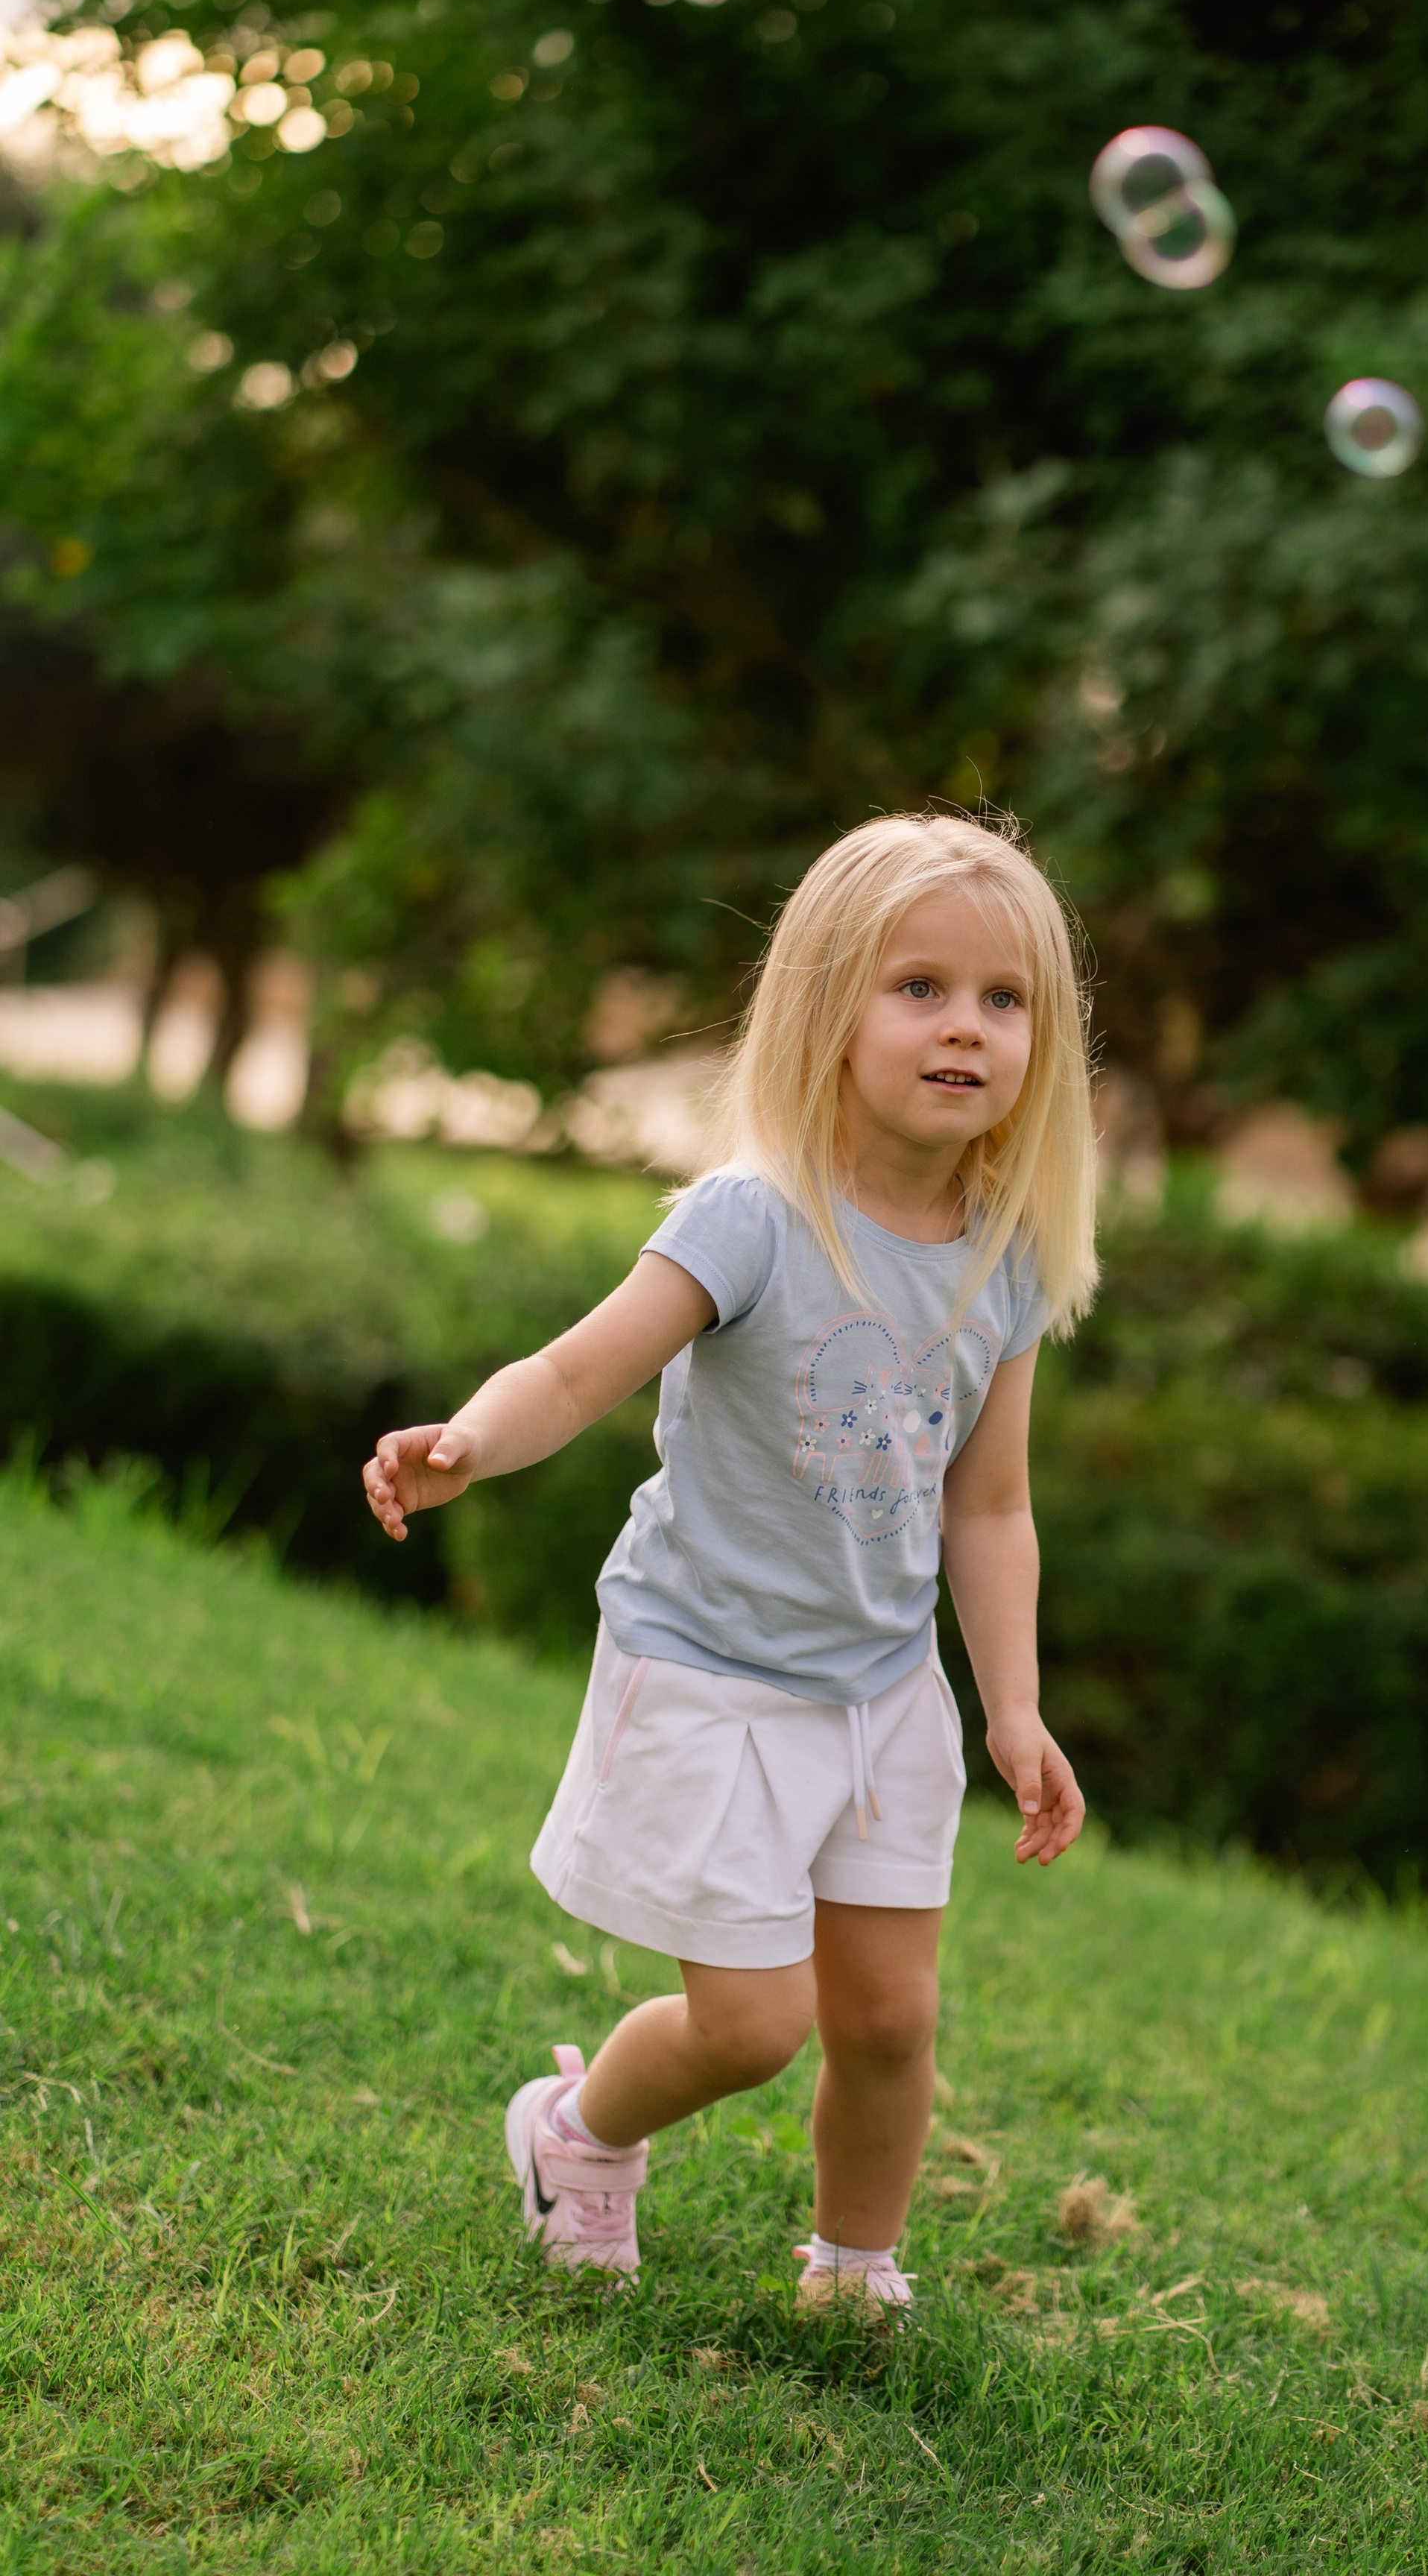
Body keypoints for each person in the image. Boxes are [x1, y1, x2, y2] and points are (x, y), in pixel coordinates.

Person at [361, 811, 1098, 2313]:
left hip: (882, 1689)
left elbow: (990, 1505)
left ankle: (853, 2266)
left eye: (1002, 999)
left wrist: (1008, 1707)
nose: (964, 1025)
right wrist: (475, 1443)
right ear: (829, 1008)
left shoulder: (1001, 1257)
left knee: (890, 2019)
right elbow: (577, 1375)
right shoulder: (753, 1220)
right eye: (918, 988)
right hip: (712, 1673)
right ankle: (577, 2134)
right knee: (756, 2026)